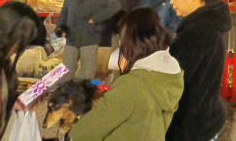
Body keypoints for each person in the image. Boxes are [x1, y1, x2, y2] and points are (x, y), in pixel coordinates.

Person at [71, 7, 184, 141]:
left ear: (132, 43)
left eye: (122, 39)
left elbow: (82, 133)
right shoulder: (167, 77)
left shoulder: (132, 85)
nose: (120, 44)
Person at [157, 0, 231, 141]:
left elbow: (176, 83)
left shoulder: (196, 32)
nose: (171, 2)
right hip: (206, 117)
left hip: (191, 125)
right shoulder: (207, 25)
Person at [0, 2, 47, 140]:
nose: (18, 51)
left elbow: (2, 101)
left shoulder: (2, 62)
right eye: (21, 43)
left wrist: (22, 101)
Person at [55, 0, 121, 81]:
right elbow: (63, 13)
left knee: (87, 72)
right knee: (65, 71)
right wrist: (60, 29)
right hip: (72, 38)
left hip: (90, 38)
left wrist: (96, 18)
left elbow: (115, 6)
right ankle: (64, 91)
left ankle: (84, 91)